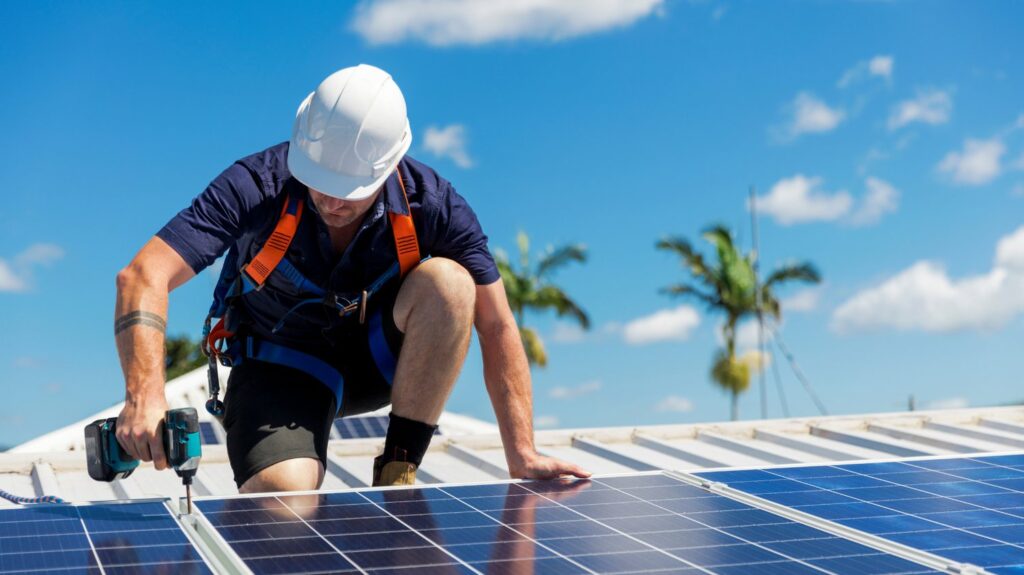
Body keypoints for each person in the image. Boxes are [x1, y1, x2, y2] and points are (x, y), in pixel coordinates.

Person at [112, 64, 590, 491]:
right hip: (282, 365)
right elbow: (142, 275)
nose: (330, 200)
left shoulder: (435, 204)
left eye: (349, 191)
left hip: (380, 364)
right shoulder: (256, 183)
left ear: (388, 168)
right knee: (284, 503)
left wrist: (522, 453)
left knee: (451, 285)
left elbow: (498, 324)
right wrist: (145, 396)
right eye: (319, 181)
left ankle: (398, 470)